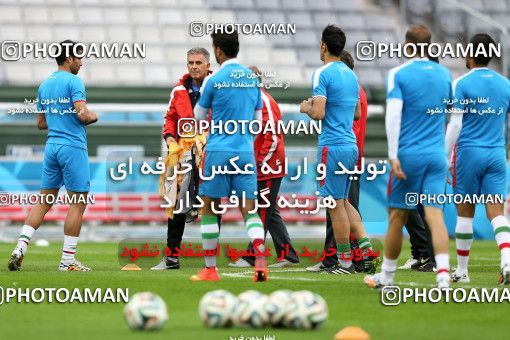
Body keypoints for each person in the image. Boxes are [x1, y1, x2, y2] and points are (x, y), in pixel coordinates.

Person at [365, 24, 452, 288]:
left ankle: (387, 277)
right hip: (437, 155)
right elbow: (448, 115)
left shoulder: (398, 74)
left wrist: (393, 155)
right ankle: (444, 277)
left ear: (407, 45)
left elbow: (393, 115)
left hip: (409, 154)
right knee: (435, 215)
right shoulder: (445, 74)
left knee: (397, 216)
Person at [8, 40, 98, 272]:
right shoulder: (74, 81)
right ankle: (67, 261)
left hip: (52, 147)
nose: (82, 61)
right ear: (69, 58)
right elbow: (82, 115)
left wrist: (59, 118)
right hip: (72, 147)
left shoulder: (45, 84)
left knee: (44, 200)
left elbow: (40, 123)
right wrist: (92, 116)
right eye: (79, 57)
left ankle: (20, 247)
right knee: (78, 202)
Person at [189, 30, 267, 282]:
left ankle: (210, 269)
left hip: (218, 151)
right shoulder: (252, 79)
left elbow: (198, 117)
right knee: (250, 211)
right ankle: (261, 260)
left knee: (210, 209)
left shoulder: (214, 80)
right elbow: (257, 123)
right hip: (244, 152)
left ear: (218, 51)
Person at [300, 25, 376, 275]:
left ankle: (344, 262)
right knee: (344, 201)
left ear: (323, 45)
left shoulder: (323, 73)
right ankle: (364, 250)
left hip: (331, 145)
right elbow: (356, 112)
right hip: (349, 145)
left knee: (334, 204)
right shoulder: (351, 75)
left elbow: (319, 113)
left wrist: (306, 107)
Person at [445, 33, 510, 284]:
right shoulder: (506, 84)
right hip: (496, 153)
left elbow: (456, 125)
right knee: (496, 212)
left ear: (470, 54)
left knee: (465, 214)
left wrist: (444, 155)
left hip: (469, 154)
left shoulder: (461, 83)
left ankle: (462, 271)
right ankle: (506, 259)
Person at [228, 66, 300, 268]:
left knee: (261, 210)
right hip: (262, 165)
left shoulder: (264, 102)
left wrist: (259, 162)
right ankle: (288, 254)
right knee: (269, 210)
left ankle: (253, 255)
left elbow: (273, 137)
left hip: (268, 166)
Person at [152, 47, 213, 270]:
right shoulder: (178, 90)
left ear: (208, 65)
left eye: (198, 62)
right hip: (184, 155)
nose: (194, 66)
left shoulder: (219, 87)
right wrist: (169, 139)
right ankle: (171, 258)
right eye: (191, 63)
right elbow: (170, 118)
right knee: (177, 205)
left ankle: (213, 261)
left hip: (211, 153)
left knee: (213, 203)